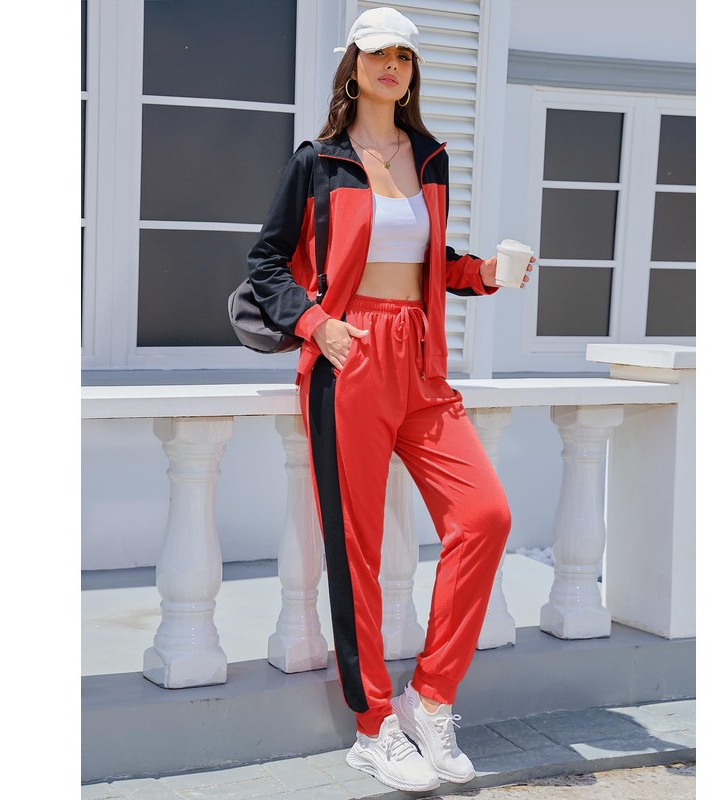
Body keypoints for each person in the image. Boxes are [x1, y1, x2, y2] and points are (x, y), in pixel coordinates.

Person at [248, 6, 535, 793]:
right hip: (350, 360)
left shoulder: (429, 157)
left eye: (404, 56)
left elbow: (427, 259)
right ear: (354, 65)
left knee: (484, 516)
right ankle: (374, 726)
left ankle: (429, 697)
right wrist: (318, 325)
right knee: (358, 551)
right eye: (378, 53)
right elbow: (266, 262)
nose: (392, 66)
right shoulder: (318, 162)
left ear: (412, 73)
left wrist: (485, 274)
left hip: (421, 360)